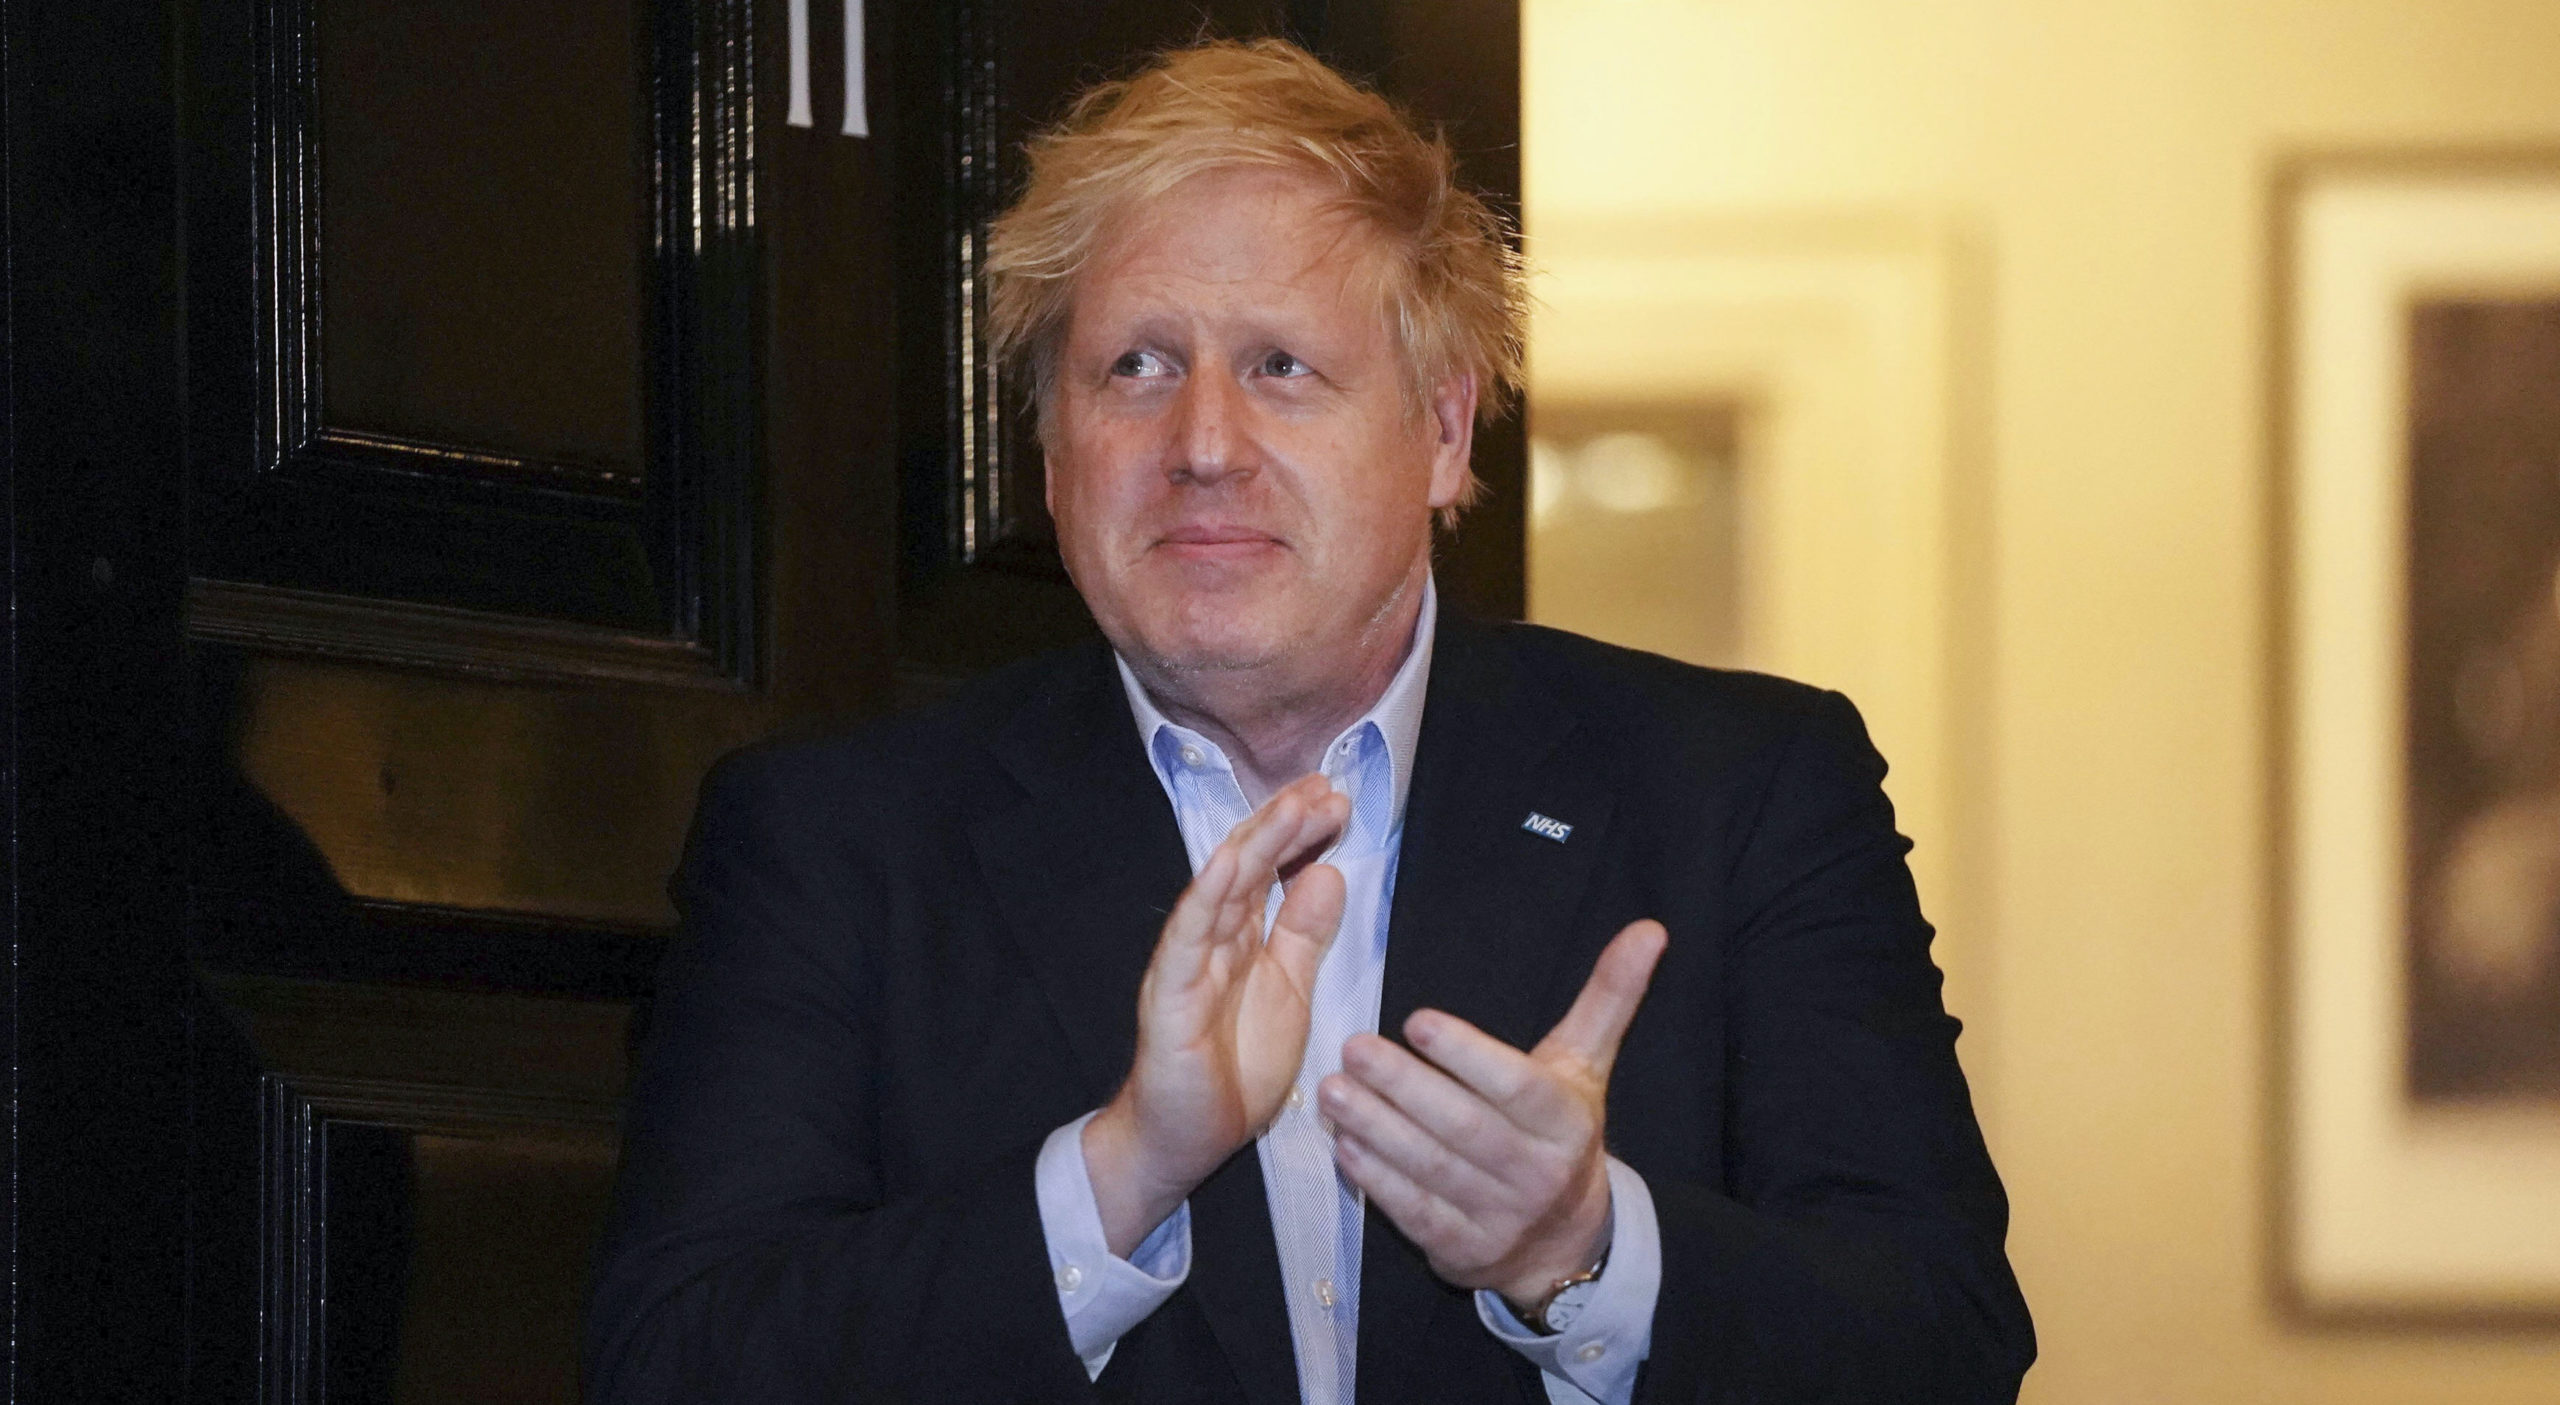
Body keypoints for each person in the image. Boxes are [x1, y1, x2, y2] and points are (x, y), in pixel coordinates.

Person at [585, 37, 2033, 1405]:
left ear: (1446, 434)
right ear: (1049, 449)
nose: (1203, 444)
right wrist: (1116, 1175)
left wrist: (1580, 1252)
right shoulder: (833, 839)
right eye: (1135, 367)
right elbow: (676, 1364)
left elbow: (1942, 1340)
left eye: (1283, 366)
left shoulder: (1746, 791)